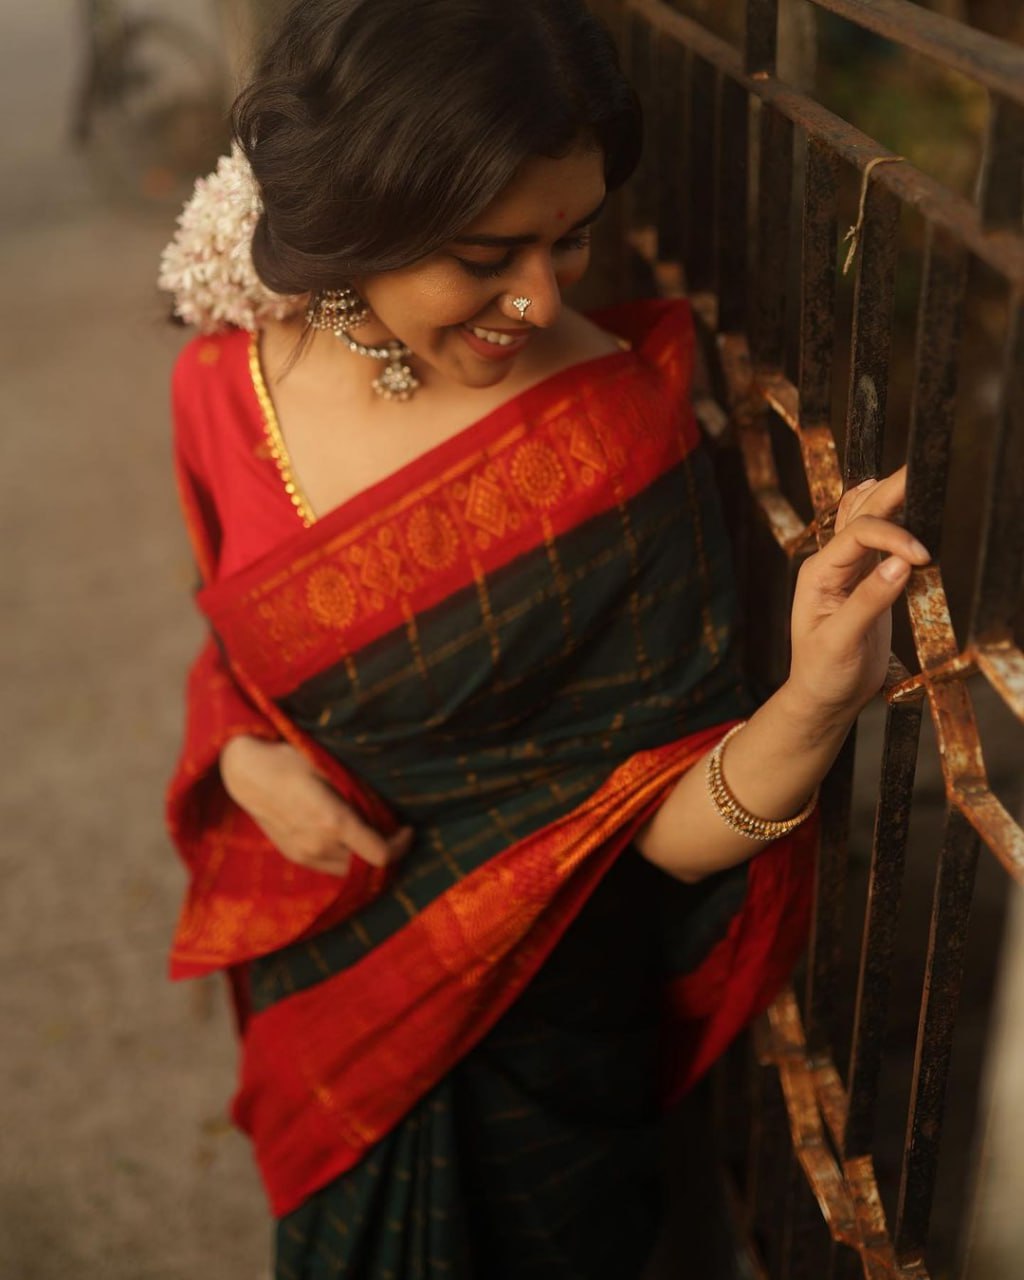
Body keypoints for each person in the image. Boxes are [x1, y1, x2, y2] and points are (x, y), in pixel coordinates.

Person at [160, 1, 928, 1275]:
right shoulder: (221, 390)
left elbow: (664, 833)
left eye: (570, 242)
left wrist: (811, 699)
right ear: (359, 221)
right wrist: (243, 762)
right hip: (321, 1014)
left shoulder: (616, 442)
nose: (537, 296)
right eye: (483, 255)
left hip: (541, 1055)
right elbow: (232, 656)